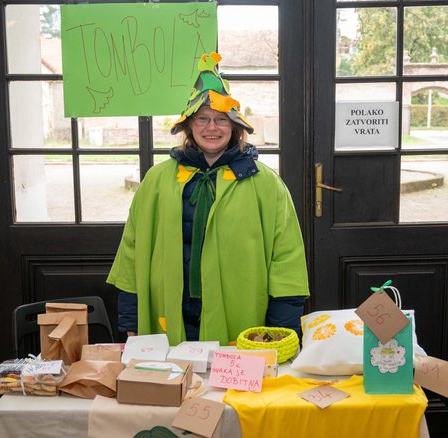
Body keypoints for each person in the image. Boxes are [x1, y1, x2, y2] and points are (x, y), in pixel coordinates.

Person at [107, 52, 309, 346]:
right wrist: (131, 321)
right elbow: (131, 252)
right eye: (202, 118)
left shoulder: (264, 183)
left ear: (235, 126)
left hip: (239, 315)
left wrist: (282, 328)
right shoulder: (158, 180)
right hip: (170, 312)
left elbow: (286, 259)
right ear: (188, 125)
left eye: (221, 120)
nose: (211, 128)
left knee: (228, 390)